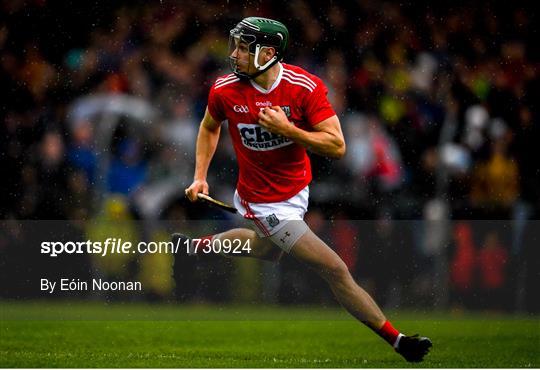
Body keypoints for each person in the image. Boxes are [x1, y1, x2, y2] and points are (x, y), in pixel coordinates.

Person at [174, 16, 432, 362]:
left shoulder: (304, 87)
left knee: (268, 251)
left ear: (267, 53)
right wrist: (199, 176)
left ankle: (193, 247)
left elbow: (336, 145)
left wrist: (289, 129)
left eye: (242, 47)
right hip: (262, 201)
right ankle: (398, 340)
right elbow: (208, 127)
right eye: (234, 44)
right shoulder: (224, 89)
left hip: (297, 192)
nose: (233, 53)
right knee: (335, 269)